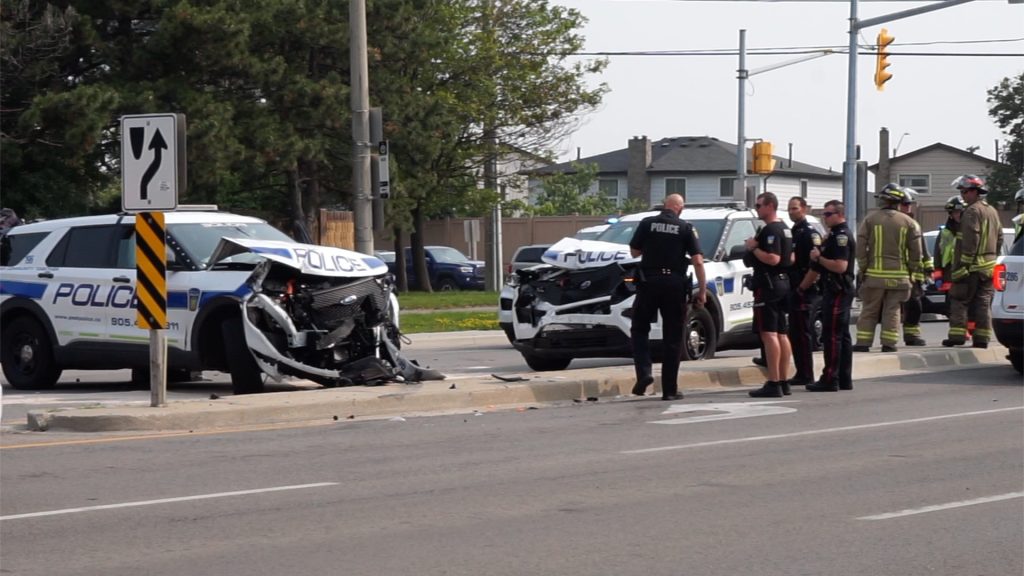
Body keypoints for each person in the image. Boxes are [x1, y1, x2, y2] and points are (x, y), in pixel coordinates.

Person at [629, 193, 707, 400]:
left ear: (665, 205)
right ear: (680, 208)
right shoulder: (686, 228)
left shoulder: (647, 223)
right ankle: (670, 390)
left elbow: (634, 253)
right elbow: (698, 261)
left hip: (649, 283)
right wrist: (702, 291)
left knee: (639, 329)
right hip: (674, 284)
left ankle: (644, 373)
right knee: (673, 336)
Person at [853, 184, 922, 353]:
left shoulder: (870, 220)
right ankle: (889, 343)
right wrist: (912, 271)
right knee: (893, 310)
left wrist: (863, 268)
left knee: (870, 308)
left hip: (874, 276)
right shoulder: (909, 222)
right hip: (900, 277)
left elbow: (860, 247)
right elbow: (916, 253)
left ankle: (863, 342)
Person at [942, 174, 1002, 348]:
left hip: (971, 267)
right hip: (989, 266)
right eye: (961, 191)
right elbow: (999, 238)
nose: (963, 195)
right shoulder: (991, 210)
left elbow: (970, 238)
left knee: (959, 299)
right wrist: (992, 257)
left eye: (965, 191)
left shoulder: (971, 211)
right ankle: (982, 339)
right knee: (983, 303)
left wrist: (964, 264)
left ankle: (957, 336)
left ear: (976, 192)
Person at [803, 200, 856, 392]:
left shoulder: (840, 236)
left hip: (838, 290)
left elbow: (840, 266)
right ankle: (843, 377)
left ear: (840, 214)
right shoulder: (832, 235)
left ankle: (830, 377)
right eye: (823, 214)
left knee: (832, 335)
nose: (825, 218)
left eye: (828, 214)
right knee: (842, 335)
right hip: (836, 289)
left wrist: (819, 258)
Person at [745, 192, 794, 398]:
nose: (756, 208)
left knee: (769, 334)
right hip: (782, 282)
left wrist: (754, 248)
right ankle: (783, 380)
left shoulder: (771, 230)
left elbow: (773, 258)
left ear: (770, 206)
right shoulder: (785, 228)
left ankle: (774, 381)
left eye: (759, 205)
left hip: (769, 285)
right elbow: (791, 258)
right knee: (781, 333)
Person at [786, 196, 822, 387]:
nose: (792, 212)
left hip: (805, 289)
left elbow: (814, 265)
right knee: (795, 331)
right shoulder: (794, 231)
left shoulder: (810, 233)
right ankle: (801, 371)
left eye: (795, 209)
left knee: (803, 332)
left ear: (805, 209)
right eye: (790, 209)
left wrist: (803, 288)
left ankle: (807, 373)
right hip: (794, 287)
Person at [896, 188, 932, 346]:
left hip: (913, 275)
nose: (908, 207)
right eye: (905, 204)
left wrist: (928, 269)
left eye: (909, 203)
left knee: (915, 306)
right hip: (895, 273)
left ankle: (911, 336)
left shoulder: (914, 225)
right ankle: (889, 339)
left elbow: (923, 250)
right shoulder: (893, 223)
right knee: (892, 308)